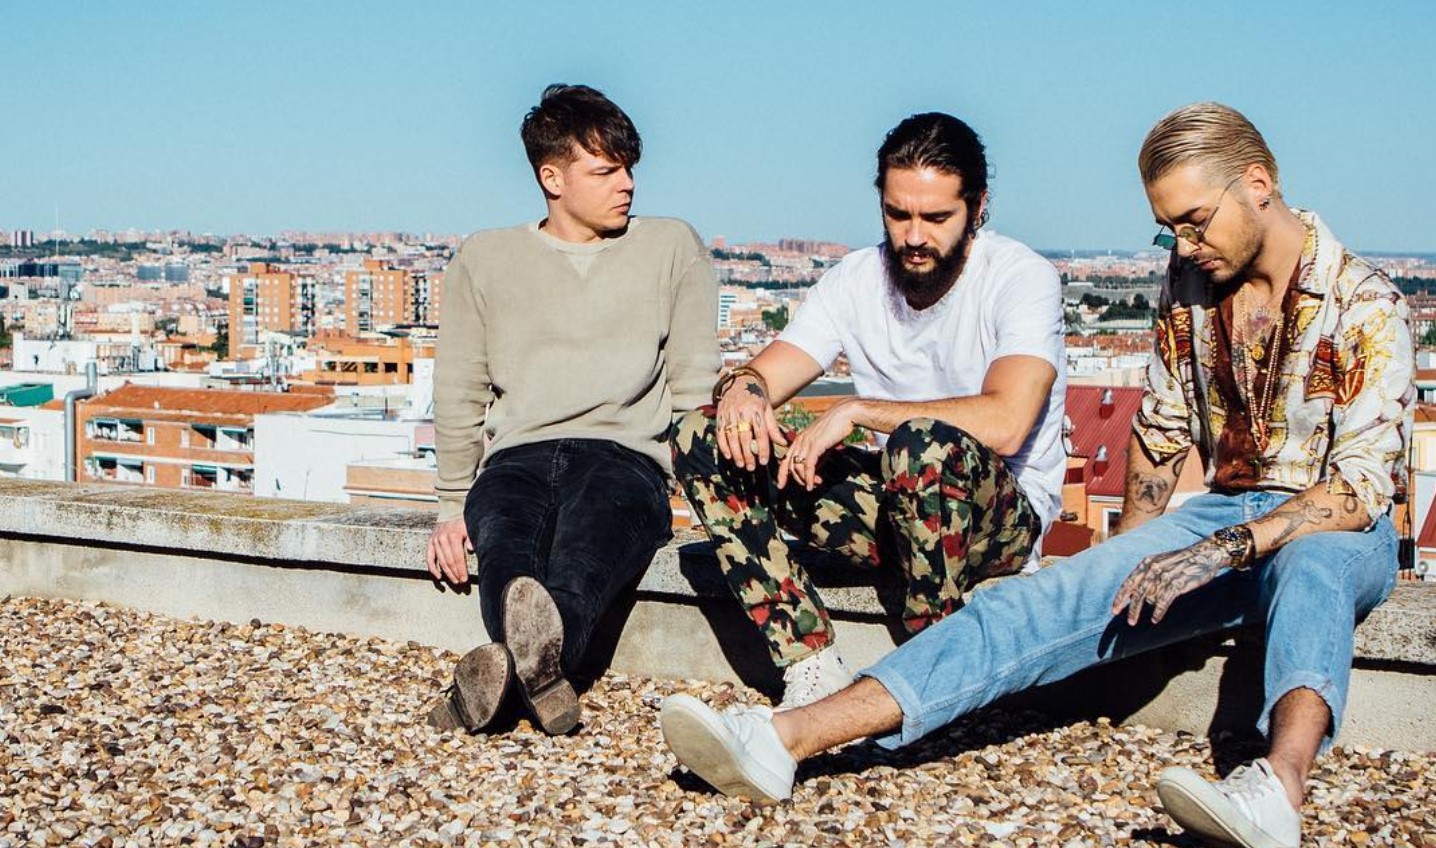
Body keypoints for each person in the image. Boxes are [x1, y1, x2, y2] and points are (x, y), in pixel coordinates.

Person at [660, 102, 1413, 848]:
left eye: (1195, 222)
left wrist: (1222, 550)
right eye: (1169, 230)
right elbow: (1158, 435)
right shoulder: (1191, 283)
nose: (1184, 245)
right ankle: (783, 739)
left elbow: (1360, 488)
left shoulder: (1366, 300)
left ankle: (1277, 789)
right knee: (1031, 606)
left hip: (1337, 522)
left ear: (1258, 184)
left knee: (1312, 569)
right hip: (1218, 514)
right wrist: (1130, 558)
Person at [671, 112, 1067, 711]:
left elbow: (1007, 422)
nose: (914, 236)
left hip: (997, 524)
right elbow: (766, 373)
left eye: (936, 218)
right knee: (702, 433)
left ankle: (934, 674)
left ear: (978, 207)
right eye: (897, 214)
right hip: (899, 506)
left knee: (920, 443)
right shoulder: (856, 278)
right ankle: (809, 663)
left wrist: (859, 410)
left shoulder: (1021, 278)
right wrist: (745, 389)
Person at [426, 84, 719, 735]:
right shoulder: (485, 258)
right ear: (551, 178)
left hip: (626, 460)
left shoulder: (672, 246)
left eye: (629, 168)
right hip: (515, 459)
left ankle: (490, 689)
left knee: (582, 567)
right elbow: (459, 387)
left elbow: (695, 384)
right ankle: (540, 683)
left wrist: (711, 497)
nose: (628, 184)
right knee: (508, 561)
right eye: (606, 171)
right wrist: (450, 505)